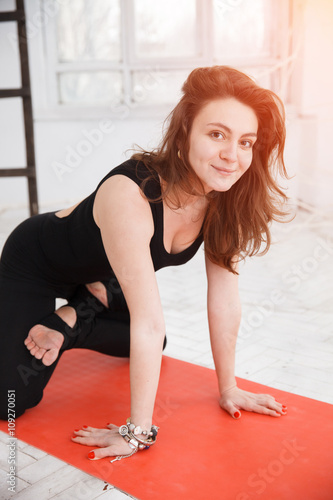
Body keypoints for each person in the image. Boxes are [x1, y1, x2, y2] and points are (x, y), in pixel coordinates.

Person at [0, 66, 289, 461]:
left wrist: (228, 388)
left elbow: (225, 300)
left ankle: (71, 319)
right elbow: (149, 321)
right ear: (186, 130)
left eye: (246, 141)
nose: (231, 155)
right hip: (36, 262)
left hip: (105, 277)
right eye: (217, 134)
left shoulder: (225, 201)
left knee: (148, 343)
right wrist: (137, 434)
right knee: (12, 399)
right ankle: (74, 309)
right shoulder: (131, 193)